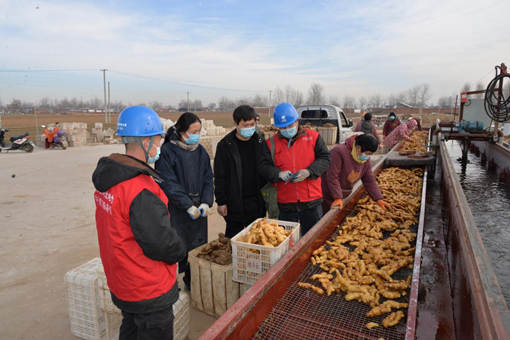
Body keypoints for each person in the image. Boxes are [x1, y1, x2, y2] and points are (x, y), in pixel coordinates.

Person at [92, 105, 186, 340]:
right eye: (157, 139)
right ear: (146, 141)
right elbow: (161, 243)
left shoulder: (112, 178)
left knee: (131, 329)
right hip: (147, 287)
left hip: (123, 281)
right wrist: (180, 249)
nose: (159, 145)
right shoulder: (139, 188)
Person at [155, 112, 213, 289]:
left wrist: (205, 202)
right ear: (181, 131)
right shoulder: (167, 152)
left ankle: (192, 281)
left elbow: (207, 179)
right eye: (193, 131)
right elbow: (168, 183)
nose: (197, 134)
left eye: (199, 130)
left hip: (199, 210)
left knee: (197, 248)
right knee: (175, 248)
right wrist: (187, 205)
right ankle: (172, 285)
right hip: (177, 211)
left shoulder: (200, 151)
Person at [259, 102, 331, 235]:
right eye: (283, 127)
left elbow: (325, 158)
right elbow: (263, 166)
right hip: (286, 202)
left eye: (290, 125)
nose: (287, 129)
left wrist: (309, 171)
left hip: (311, 200)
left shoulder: (313, 137)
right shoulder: (270, 143)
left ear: (297, 121)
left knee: (313, 237)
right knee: (287, 240)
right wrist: (278, 173)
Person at [214, 105, 267, 238]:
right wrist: (221, 201)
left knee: (257, 238)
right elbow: (220, 175)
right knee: (234, 239)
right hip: (235, 202)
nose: (249, 128)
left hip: (256, 201)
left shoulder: (260, 142)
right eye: (245, 125)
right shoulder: (225, 145)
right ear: (235, 124)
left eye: (252, 124)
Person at [322, 134, 391, 215]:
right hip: (327, 193)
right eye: (368, 153)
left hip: (343, 193)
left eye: (371, 154)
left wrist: (379, 199)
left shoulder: (364, 159)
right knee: (324, 215)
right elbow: (332, 176)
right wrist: (337, 197)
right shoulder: (339, 152)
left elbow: (369, 180)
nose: (369, 156)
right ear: (358, 148)